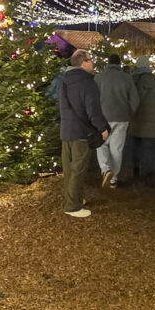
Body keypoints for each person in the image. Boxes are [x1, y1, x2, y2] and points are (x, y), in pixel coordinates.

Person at [59, 50, 109, 217]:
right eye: (91, 60)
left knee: (69, 168)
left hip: (66, 130)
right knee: (78, 169)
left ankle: (73, 198)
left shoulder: (64, 81)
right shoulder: (88, 83)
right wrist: (102, 128)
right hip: (82, 131)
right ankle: (72, 206)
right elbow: (93, 110)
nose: (92, 63)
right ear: (83, 62)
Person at [94, 53, 139, 188]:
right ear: (119, 64)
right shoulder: (127, 78)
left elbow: (92, 98)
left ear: (108, 63)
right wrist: (130, 112)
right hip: (122, 117)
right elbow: (135, 99)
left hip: (102, 117)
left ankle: (105, 169)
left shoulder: (98, 77)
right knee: (117, 148)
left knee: (101, 144)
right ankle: (113, 178)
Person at [130, 55, 155, 185]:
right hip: (152, 119)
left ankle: (136, 169)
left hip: (136, 118)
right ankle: (149, 172)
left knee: (136, 146)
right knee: (149, 147)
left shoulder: (133, 80)